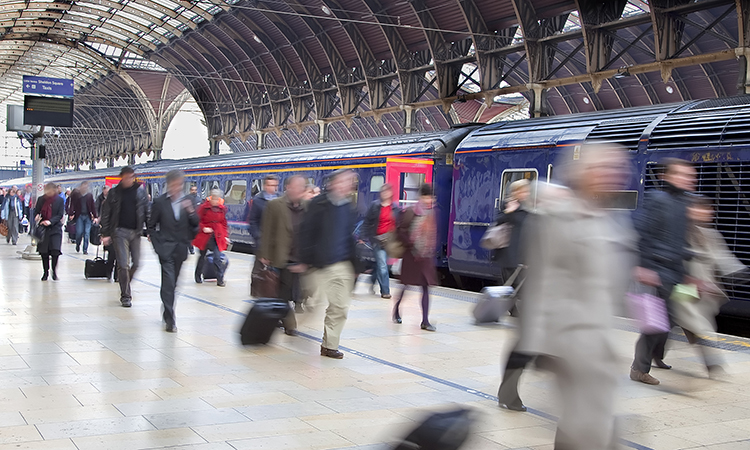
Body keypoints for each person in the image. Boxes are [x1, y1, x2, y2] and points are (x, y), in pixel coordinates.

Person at [518, 144, 637, 450]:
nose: (615, 175)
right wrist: (540, 344)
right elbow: (542, 280)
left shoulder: (609, 219)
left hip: (599, 341)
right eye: (605, 168)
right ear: (584, 173)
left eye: (618, 168)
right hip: (569, 342)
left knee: (588, 425)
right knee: (588, 426)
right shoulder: (559, 217)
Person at [630, 158, 696, 385]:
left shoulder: (685, 203)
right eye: (681, 174)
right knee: (656, 322)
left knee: (677, 317)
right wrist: (643, 266)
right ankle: (639, 369)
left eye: (689, 175)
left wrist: (688, 265)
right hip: (658, 273)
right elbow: (643, 233)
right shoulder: (657, 199)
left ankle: (657, 355)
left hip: (677, 273)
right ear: (666, 176)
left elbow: (677, 240)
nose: (687, 179)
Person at [680, 195, 747, 374]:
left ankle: (656, 352)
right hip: (683, 287)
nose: (706, 212)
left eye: (708, 209)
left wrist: (741, 271)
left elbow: (724, 258)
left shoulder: (711, 234)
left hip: (704, 290)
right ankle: (713, 365)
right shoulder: (680, 232)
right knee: (696, 322)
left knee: (692, 322)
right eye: (700, 208)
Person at [299, 169, 357, 359]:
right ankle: (290, 322)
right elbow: (306, 233)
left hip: (341, 264)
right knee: (312, 304)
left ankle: (329, 345)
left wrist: (357, 265)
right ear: (332, 184)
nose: (346, 185)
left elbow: (349, 238)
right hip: (319, 264)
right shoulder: (319, 204)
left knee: (339, 307)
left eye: (349, 182)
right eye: (342, 181)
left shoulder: (348, 207)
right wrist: (305, 260)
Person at [495, 179, 534, 411]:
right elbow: (499, 229)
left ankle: (508, 392)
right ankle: (508, 393)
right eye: (524, 190)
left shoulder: (530, 213)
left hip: (528, 268)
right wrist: (507, 214)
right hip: (515, 264)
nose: (528, 193)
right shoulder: (510, 210)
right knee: (526, 341)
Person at [148, 170, 198, 332]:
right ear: (168, 185)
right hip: (165, 249)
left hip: (181, 249)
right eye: (174, 184)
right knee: (168, 283)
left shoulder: (188, 201)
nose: (177, 188)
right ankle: (171, 319)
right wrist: (157, 245)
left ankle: (167, 308)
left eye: (180, 184)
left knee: (174, 284)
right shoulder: (160, 202)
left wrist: (190, 211)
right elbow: (150, 226)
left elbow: (196, 223)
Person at [258, 175, 308, 333]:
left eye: (301, 188)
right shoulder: (275, 205)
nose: (298, 191)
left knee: (296, 291)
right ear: (287, 188)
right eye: (295, 187)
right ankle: (290, 324)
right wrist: (264, 253)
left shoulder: (307, 206)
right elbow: (266, 230)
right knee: (283, 293)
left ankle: (279, 317)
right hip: (281, 256)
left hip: (299, 257)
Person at [100, 166, 149, 308]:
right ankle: (125, 295)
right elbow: (106, 213)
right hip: (119, 232)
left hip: (136, 232)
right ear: (121, 177)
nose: (129, 179)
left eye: (132, 177)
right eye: (127, 177)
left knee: (137, 263)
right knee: (123, 264)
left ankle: (125, 281)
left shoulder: (140, 192)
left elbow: (147, 210)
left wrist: (150, 230)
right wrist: (105, 233)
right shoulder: (114, 193)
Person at [392, 183, 438, 332]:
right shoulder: (411, 212)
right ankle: (396, 309)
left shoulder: (431, 213)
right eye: (426, 196)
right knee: (406, 285)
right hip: (411, 256)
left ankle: (425, 320)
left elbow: (432, 234)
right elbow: (400, 231)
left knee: (425, 288)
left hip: (425, 257)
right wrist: (411, 245)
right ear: (421, 197)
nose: (428, 200)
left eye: (430, 197)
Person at [362, 183, 398, 299]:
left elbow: (399, 224)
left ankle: (372, 280)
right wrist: (363, 237)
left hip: (390, 241)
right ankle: (385, 291)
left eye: (387, 191)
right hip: (377, 239)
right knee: (382, 265)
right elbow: (367, 221)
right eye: (383, 191)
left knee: (384, 266)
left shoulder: (395, 208)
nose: (385, 194)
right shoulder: (375, 206)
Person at [194, 189, 229, 287]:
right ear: (211, 198)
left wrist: (225, 236)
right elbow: (197, 220)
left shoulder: (222, 209)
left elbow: (224, 223)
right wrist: (203, 227)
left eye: (217, 199)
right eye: (214, 198)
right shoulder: (204, 208)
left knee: (217, 257)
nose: (215, 201)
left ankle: (220, 279)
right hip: (205, 236)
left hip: (217, 236)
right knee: (202, 256)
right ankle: (197, 275)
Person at [36, 182, 65, 281]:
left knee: (55, 251)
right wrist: (37, 216)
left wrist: (51, 221)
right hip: (44, 229)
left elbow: (60, 214)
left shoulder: (60, 200)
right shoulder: (41, 200)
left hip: (55, 228)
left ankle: (54, 270)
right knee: (44, 252)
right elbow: (37, 211)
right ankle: (45, 272)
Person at [248, 174, 279, 251]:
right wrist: (258, 237)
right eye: (271, 185)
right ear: (265, 186)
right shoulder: (257, 201)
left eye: (275, 185)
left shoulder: (281, 199)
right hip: (263, 241)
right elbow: (253, 221)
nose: (274, 188)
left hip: (278, 240)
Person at [68, 181, 97, 255]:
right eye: (84, 186)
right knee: (79, 232)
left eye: (86, 186)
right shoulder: (77, 195)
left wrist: (95, 216)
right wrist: (71, 213)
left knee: (87, 233)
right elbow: (72, 204)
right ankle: (78, 244)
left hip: (87, 216)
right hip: (79, 216)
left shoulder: (89, 195)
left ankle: (85, 249)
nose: (85, 187)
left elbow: (92, 206)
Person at [187, 185, 200, 254]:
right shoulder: (187, 199)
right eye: (192, 190)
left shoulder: (199, 199)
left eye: (195, 190)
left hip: (197, 219)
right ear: (190, 190)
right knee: (190, 237)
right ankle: (191, 249)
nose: (194, 191)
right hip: (189, 220)